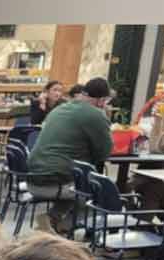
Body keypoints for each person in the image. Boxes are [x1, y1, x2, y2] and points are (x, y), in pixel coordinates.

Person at [27, 77, 114, 233]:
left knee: (79, 183)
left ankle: (50, 221)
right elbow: (104, 153)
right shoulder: (96, 114)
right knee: (103, 195)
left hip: (32, 178)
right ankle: (61, 228)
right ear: (102, 101)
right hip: (54, 181)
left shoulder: (60, 109)